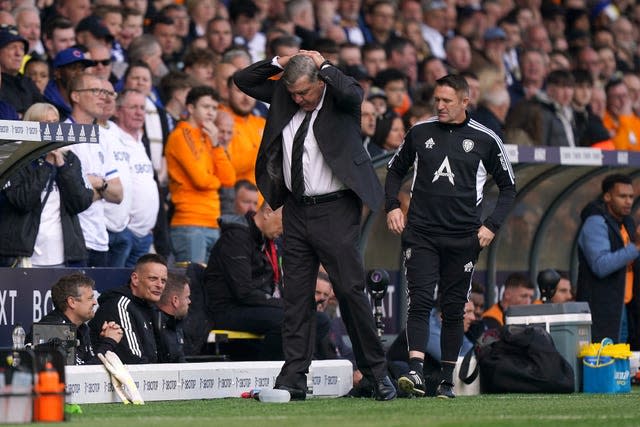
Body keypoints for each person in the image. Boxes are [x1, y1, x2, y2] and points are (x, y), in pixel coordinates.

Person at [234, 50, 396, 401]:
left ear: (321, 82)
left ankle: (375, 374)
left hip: (335, 208)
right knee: (295, 296)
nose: (299, 99)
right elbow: (243, 80)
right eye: (293, 93)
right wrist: (281, 62)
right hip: (295, 209)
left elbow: (355, 92)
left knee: (350, 291)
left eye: (305, 92)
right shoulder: (285, 97)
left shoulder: (340, 100)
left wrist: (322, 64)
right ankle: (294, 376)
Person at [385, 74, 516, 398]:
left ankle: (446, 380)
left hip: (463, 237)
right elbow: (394, 170)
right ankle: (414, 372)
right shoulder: (419, 132)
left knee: (455, 308)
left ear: (464, 101)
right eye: (437, 100)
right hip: (422, 234)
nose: (440, 106)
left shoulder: (485, 139)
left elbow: (509, 187)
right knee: (420, 300)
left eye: (447, 101)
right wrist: (392, 207)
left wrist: (491, 226)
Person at [0, 103, 92, 268]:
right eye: (45, 124)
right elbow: (22, 200)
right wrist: (47, 164)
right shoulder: (15, 159)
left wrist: (62, 166)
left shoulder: (70, 159)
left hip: (63, 255)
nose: (52, 129)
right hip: (24, 255)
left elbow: (79, 203)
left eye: (55, 123)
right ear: (32, 127)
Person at [204, 203, 285, 361]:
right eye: (284, 223)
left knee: (316, 319)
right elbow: (243, 292)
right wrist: (281, 304)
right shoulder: (236, 238)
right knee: (287, 319)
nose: (284, 231)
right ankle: (270, 374)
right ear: (268, 212)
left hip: (253, 307)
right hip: (227, 309)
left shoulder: (265, 240)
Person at [165, 86, 236, 264]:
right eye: (206, 107)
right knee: (191, 287)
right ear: (190, 108)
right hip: (190, 223)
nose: (211, 112)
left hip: (212, 222)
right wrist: (215, 180)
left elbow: (229, 179)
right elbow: (201, 180)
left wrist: (216, 145)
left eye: (214, 108)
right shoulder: (181, 135)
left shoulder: (208, 138)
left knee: (209, 286)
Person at [576, 174, 640, 347]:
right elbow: (601, 265)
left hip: (626, 306)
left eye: (631, 197)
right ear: (607, 196)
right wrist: (635, 247)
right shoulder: (595, 223)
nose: (628, 201)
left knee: (624, 367)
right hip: (603, 310)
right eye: (622, 196)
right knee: (606, 363)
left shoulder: (628, 223)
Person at [67, 72, 124, 267]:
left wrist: (98, 183)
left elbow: (118, 194)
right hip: (74, 239)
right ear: (75, 96)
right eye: (94, 91)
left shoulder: (101, 137)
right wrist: (102, 189)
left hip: (100, 240)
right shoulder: (63, 134)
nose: (103, 96)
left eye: (103, 91)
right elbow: (72, 196)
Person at [90, 253, 168, 364]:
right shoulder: (120, 305)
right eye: (153, 278)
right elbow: (134, 360)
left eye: (163, 281)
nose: (160, 285)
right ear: (135, 279)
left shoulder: (150, 308)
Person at [32, 273, 123, 365]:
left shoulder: (82, 328)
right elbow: (81, 374)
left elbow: (88, 362)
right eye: (90, 298)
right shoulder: (53, 329)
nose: (95, 302)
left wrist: (102, 340)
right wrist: (109, 342)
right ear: (72, 302)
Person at [155, 272, 191, 363]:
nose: (189, 301)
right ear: (175, 300)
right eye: (187, 297)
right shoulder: (155, 327)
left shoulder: (175, 323)